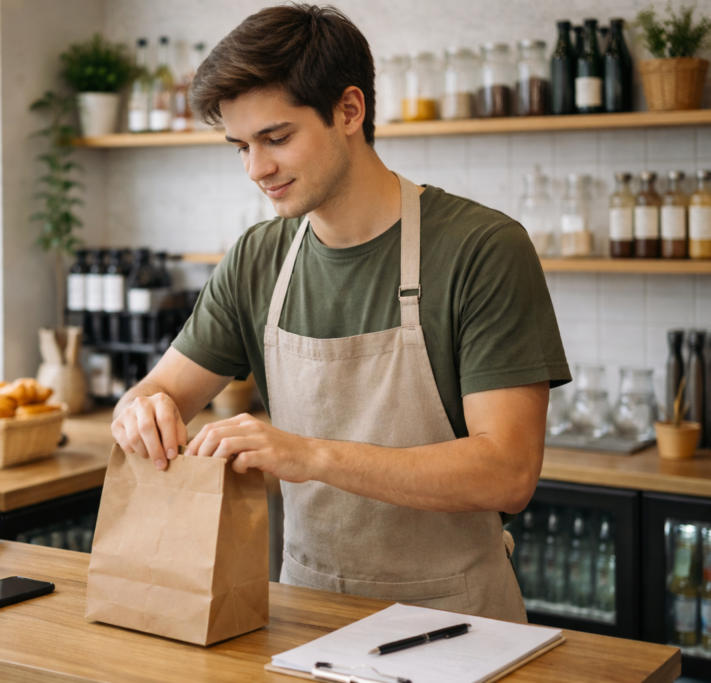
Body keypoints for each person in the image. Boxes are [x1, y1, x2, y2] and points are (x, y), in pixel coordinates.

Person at [110, 3, 570, 622]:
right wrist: (141, 414)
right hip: (302, 608)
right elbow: (159, 390)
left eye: (276, 138)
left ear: (349, 110)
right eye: (240, 146)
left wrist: (309, 455)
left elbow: (507, 471)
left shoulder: (481, 248)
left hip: (457, 619)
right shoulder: (258, 257)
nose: (257, 169)